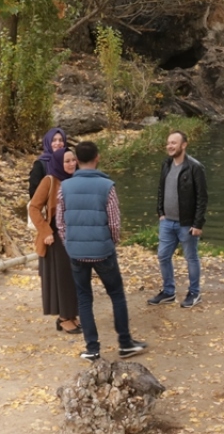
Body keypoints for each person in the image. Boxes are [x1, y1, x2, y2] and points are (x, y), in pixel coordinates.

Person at [56, 140, 147, 362]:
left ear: (76, 161)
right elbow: (115, 223)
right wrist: (111, 243)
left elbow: (60, 222)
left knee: (84, 299)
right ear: (97, 158)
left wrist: (70, 244)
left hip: (76, 252)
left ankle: (92, 348)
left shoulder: (64, 187)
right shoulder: (107, 186)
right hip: (103, 251)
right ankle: (125, 344)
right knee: (116, 295)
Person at [147, 130, 208, 309]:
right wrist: (160, 212)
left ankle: (195, 293)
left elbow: (202, 197)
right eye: (168, 143)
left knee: (191, 257)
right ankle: (168, 292)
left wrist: (198, 223)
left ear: (184, 145)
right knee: (163, 255)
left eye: (174, 143)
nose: (170, 146)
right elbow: (161, 189)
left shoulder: (195, 167)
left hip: (186, 223)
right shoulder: (166, 164)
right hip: (167, 222)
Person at [28, 148, 81, 334]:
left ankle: (72, 314)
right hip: (56, 237)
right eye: (67, 161)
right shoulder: (49, 180)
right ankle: (64, 317)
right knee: (64, 277)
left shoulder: (77, 180)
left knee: (76, 275)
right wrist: (45, 231)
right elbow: (34, 207)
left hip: (75, 234)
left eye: (74, 160)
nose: (71, 164)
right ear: (59, 162)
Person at [29, 127, 68, 198]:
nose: (58, 143)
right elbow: (33, 192)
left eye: (61, 140)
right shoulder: (40, 164)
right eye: (54, 140)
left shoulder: (70, 162)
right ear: (48, 142)